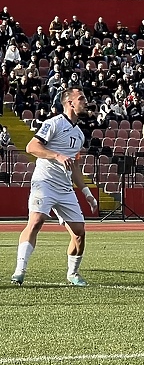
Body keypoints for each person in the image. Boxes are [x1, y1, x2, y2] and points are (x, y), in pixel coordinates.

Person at [12, 88, 98, 286]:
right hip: (45, 181)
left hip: (65, 187)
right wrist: (56, 155)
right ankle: (20, 270)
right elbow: (31, 147)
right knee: (36, 221)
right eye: (81, 98)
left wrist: (87, 193)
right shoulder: (54, 123)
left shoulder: (79, 135)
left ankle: (72, 274)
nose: (85, 101)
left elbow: (74, 166)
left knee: (79, 232)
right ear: (69, 103)